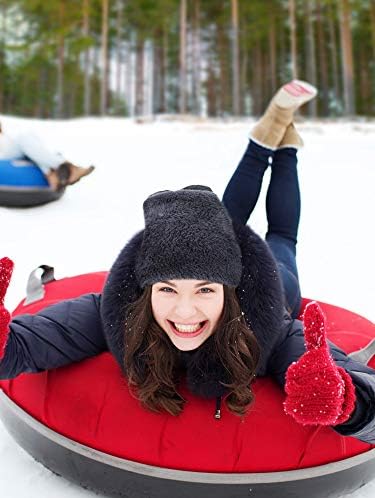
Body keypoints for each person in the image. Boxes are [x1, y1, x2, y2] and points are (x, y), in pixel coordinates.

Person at [1, 81, 375, 443]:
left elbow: (367, 406)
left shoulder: (270, 331)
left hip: (275, 282)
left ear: (227, 292)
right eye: (166, 288)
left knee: (281, 236)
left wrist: (349, 401)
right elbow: (24, 348)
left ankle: (286, 148)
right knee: (227, 221)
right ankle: (273, 129)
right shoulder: (115, 314)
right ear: (146, 290)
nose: (184, 310)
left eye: (205, 290)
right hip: (213, 256)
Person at [0, 122, 94, 190]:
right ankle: (65, 166)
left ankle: (51, 173)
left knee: (29, 136)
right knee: (23, 139)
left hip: (12, 150)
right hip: (4, 155)